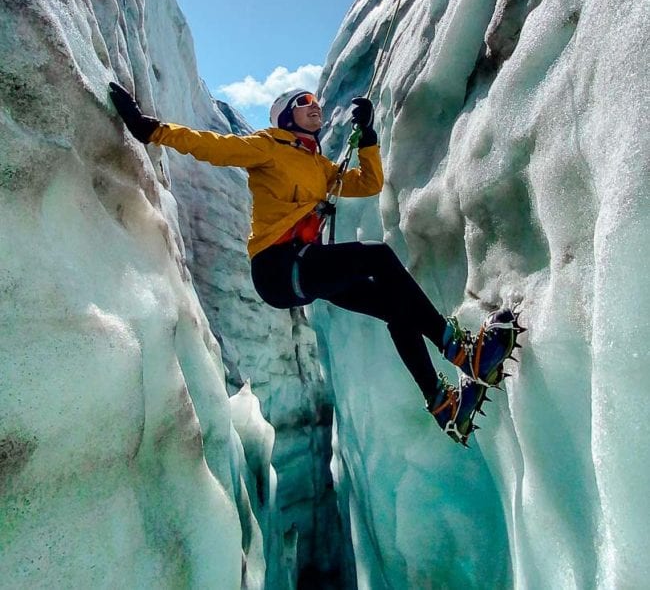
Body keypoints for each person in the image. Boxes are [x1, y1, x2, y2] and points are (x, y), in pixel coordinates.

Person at [109, 82, 522, 445]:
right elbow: (213, 146)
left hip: (305, 267)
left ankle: (442, 405)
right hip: (276, 267)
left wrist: (368, 139)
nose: (316, 106)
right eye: (304, 102)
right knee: (377, 256)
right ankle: (460, 351)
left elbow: (369, 183)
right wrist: (152, 130)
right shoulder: (266, 146)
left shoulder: (320, 166)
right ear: (288, 115)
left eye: (316, 102)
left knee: (397, 305)